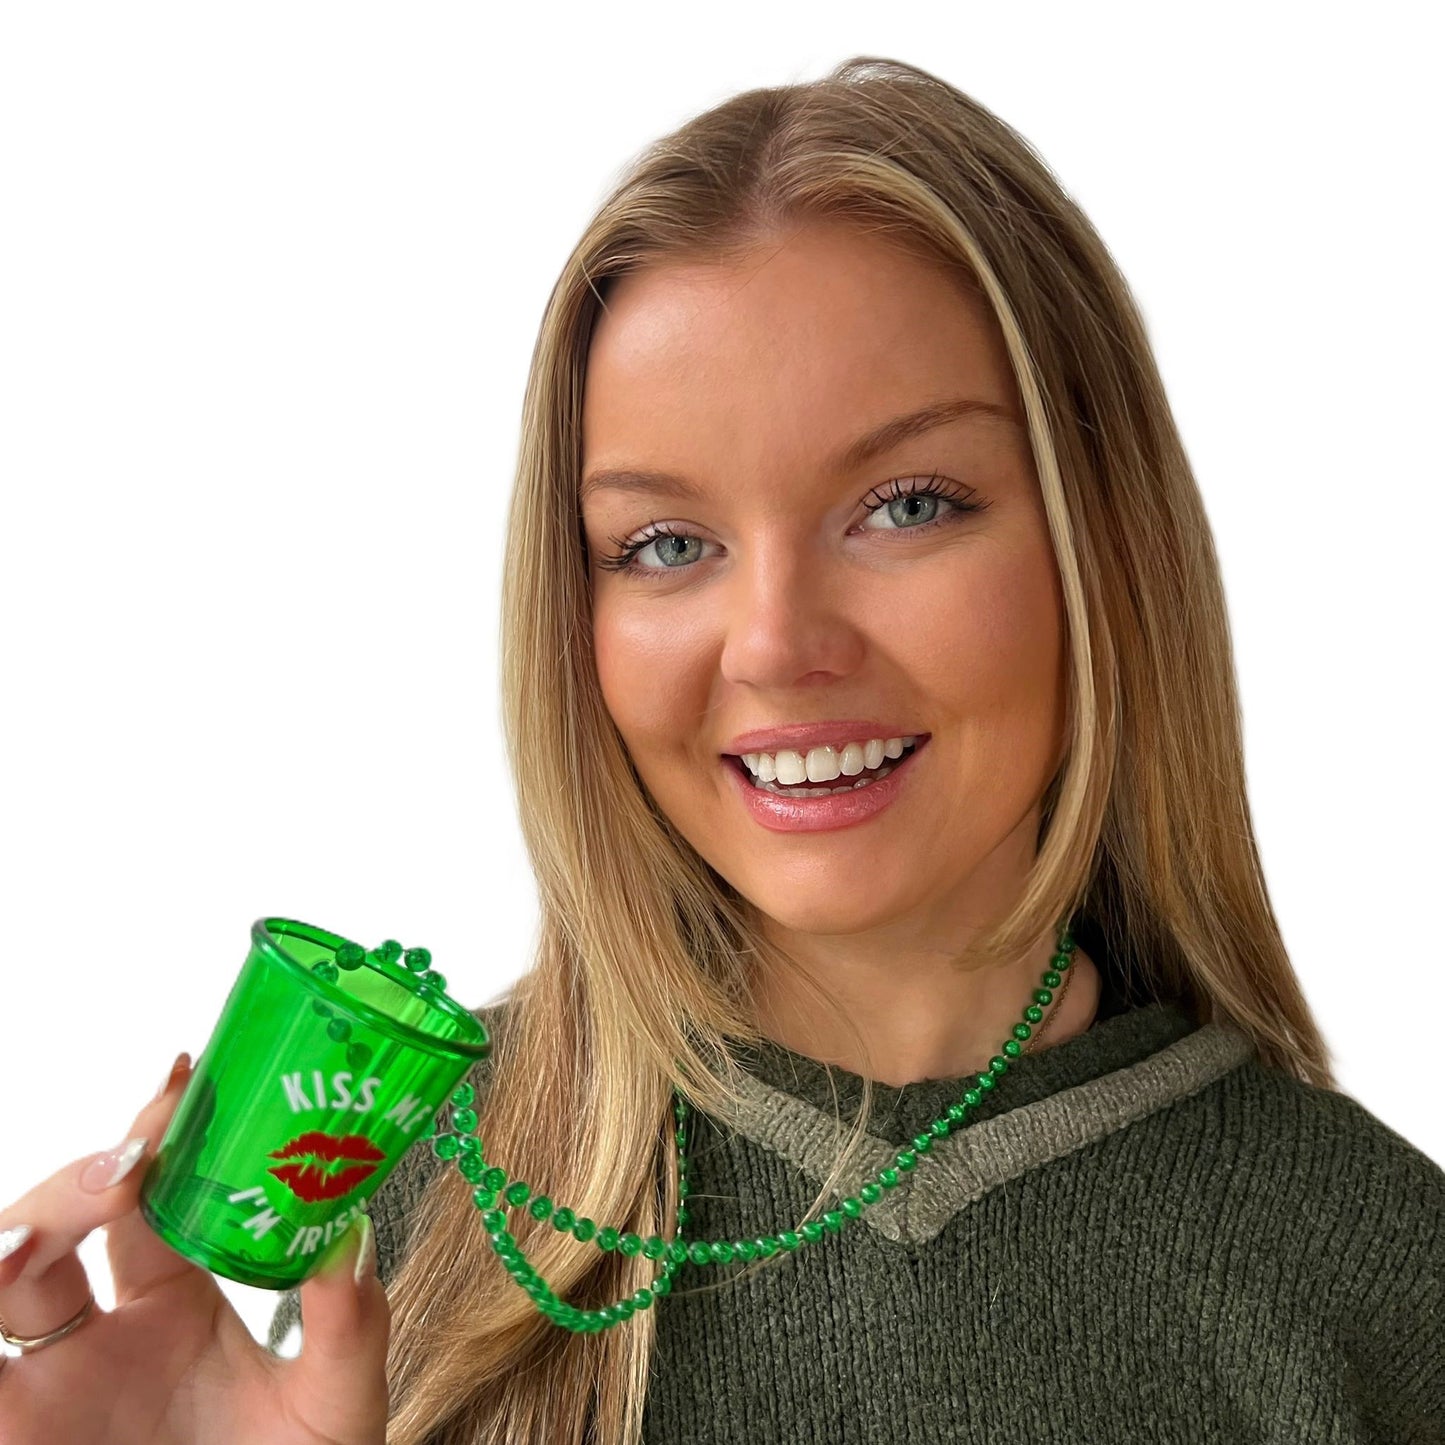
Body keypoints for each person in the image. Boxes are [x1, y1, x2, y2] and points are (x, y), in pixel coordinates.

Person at [2, 54, 1441, 1445]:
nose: (770, 643)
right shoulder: (410, 1215)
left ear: (1102, 542)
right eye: (665, 543)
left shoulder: (1376, 1267)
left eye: (905, 504)